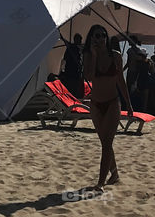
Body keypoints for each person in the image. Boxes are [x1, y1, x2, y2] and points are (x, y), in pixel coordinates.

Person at [83, 25, 133, 190]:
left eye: (103, 35)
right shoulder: (89, 56)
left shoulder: (116, 56)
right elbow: (89, 77)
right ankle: (115, 174)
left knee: (106, 143)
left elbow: (121, 81)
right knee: (105, 141)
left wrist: (129, 104)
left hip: (112, 102)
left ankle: (101, 182)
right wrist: (95, 56)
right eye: (96, 36)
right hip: (96, 104)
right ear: (91, 38)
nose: (100, 39)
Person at [59, 34, 84, 100]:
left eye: (80, 40)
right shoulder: (71, 48)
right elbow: (65, 59)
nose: (80, 41)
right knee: (71, 91)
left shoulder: (80, 49)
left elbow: (81, 61)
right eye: (78, 39)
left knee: (75, 91)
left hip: (76, 74)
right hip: (70, 74)